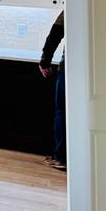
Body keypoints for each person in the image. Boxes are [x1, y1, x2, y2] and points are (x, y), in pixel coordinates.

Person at [38, 11, 66, 171]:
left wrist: (44, 60)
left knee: (62, 111)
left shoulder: (74, 0)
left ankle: (60, 158)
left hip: (70, 67)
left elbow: (56, 33)